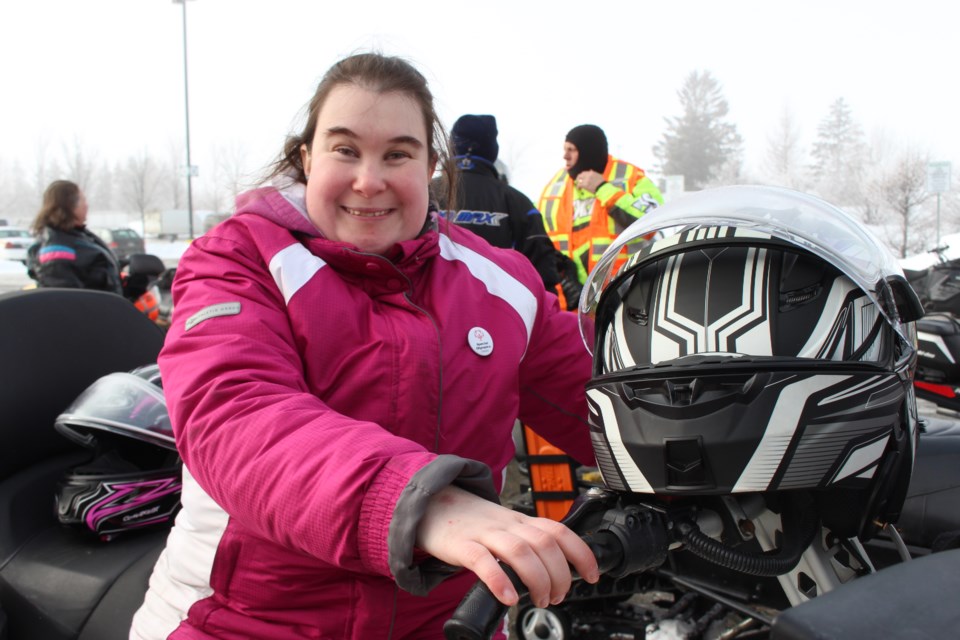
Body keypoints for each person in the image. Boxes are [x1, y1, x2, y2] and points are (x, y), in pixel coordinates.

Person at [130, 52, 599, 640]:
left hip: (450, 625)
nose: (369, 180)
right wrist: (423, 503)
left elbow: (606, 395)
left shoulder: (500, 282)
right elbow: (235, 412)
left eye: (398, 153)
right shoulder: (236, 258)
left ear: (430, 165)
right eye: (345, 149)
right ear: (307, 158)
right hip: (240, 620)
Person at [537, 124, 663, 305]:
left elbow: (651, 223)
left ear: (588, 151)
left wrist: (602, 188)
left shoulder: (630, 177)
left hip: (626, 298)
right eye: (565, 150)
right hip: (572, 304)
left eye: (571, 150)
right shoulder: (556, 184)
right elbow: (539, 233)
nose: (565, 156)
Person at [432, 114, 560, 291]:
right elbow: (543, 278)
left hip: (422, 311)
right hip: (497, 312)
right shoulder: (518, 202)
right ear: (492, 149)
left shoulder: (422, 193)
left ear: (452, 146)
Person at [28, 179, 122, 294]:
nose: (87, 205)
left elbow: (99, 278)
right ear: (70, 205)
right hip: (92, 310)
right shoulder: (56, 250)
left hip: (106, 308)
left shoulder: (79, 236)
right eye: (83, 200)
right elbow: (65, 300)